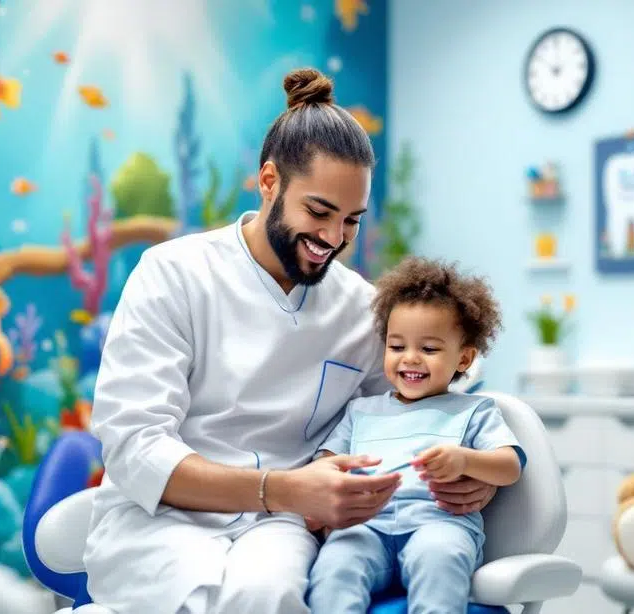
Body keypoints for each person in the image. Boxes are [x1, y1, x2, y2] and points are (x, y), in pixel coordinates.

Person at [80, 67, 499, 614]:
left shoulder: (361, 310)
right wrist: (281, 488)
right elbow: (135, 449)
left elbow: (405, 415)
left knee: (271, 597)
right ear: (270, 181)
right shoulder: (173, 273)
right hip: (161, 519)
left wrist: (475, 475)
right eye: (319, 212)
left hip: (278, 527)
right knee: (197, 600)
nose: (333, 238)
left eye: (351, 221)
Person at [305, 257, 525, 613]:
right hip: (365, 527)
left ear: (464, 359)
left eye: (429, 349)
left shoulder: (474, 410)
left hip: (438, 526)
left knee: (439, 559)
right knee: (334, 568)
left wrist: (465, 459)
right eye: (397, 346)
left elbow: (510, 466)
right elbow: (326, 464)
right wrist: (321, 499)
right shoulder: (361, 410)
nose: (410, 359)